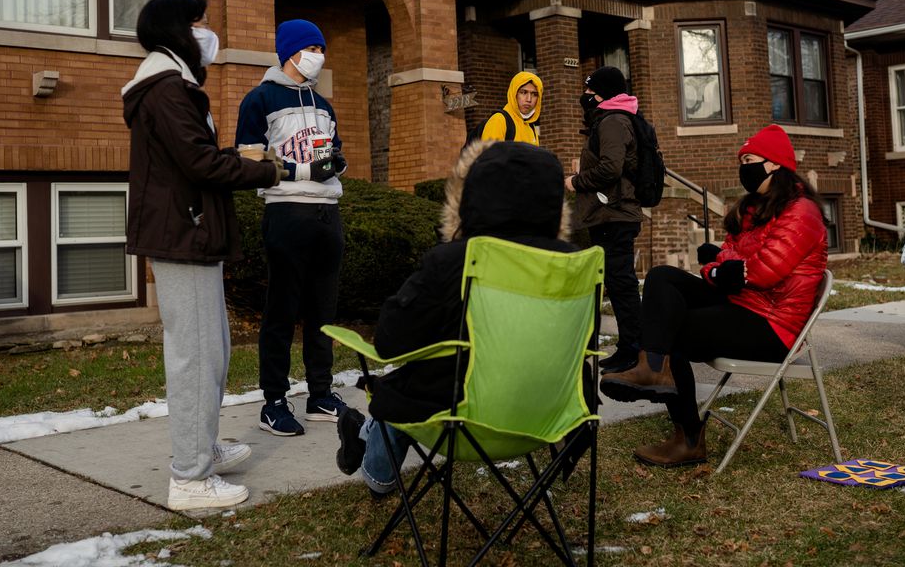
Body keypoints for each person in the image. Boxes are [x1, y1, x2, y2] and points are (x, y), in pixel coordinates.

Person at [333, 141, 576, 495]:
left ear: (475, 195)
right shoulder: (572, 262)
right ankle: (364, 434)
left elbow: (389, 341)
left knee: (405, 380)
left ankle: (376, 471)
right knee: (424, 375)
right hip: (548, 412)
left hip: (464, 416)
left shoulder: (454, 261)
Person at [122, 0, 283, 511]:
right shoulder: (167, 90)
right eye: (199, 24)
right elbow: (201, 166)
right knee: (195, 359)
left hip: (191, 234)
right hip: (182, 237)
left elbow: (200, 159)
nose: (207, 32)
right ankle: (190, 479)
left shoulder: (175, 86)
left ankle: (202, 448)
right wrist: (266, 169)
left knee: (212, 352)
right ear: (177, 32)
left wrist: (239, 157)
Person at [599, 124, 828, 468]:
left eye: (750, 159)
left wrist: (724, 270)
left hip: (773, 325)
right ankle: (653, 366)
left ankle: (688, 436)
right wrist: (719, 271)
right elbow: (724, 259)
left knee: (672, 329)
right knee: (662, 277)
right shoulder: (754, 210)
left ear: (775, 165)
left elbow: (765, 271)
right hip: (742, 302)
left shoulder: (801, 212)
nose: (744, 167)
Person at [235, 19, 348, 438]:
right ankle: (274, 401)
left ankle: (320, 393)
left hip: (327, 213)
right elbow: (249, 162)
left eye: (322, 47)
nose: (319, 54)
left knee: (324, 310)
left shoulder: (324, 105)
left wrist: (334, 164)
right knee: (282, 310)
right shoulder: (259, 98)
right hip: (286, 214)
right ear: (291, 51)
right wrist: (301, 171)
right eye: (312, 47)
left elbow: (333, 153)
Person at [564, 66, 642, 374]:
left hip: (614, 215)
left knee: (621, 283)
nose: (584, 98)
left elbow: (611, 168)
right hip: (611, 214)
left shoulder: (612, 121)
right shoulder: (617, 119)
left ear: (603, 95)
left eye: (589, 93)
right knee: (618, 281)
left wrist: (577, 181)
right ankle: (631, 348)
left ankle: (633, 350)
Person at [479, 71, 543, 145]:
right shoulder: (499, 120)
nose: (529, 99)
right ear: (514, 94)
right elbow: (489, 155)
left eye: (534, 94)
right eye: (523, 92)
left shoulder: (531, 127)